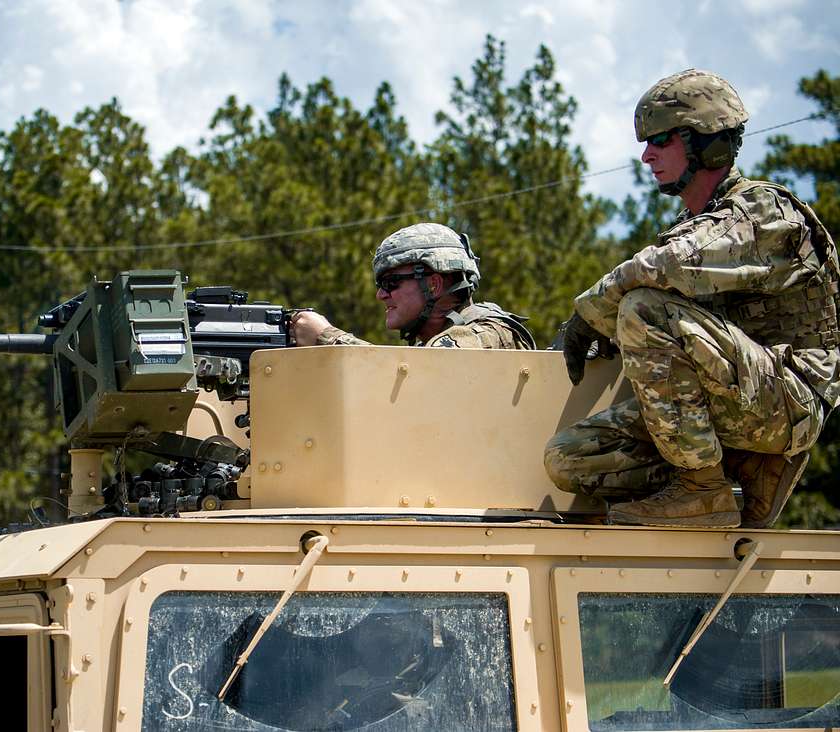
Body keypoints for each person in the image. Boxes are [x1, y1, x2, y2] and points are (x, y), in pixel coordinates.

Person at [544, 69, 839, 529]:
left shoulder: (765, 212)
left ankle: (702, 492)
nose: (646, 156)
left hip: (788, 400)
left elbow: (669, 265)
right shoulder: (694, 223)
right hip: (726, 400)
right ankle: (725, 474)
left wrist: (591, 311)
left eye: (660, 140)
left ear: (708, 141)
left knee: (642, 307)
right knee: (569, 459)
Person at [290, 223, 535, 350]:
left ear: (434, 284)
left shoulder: (488, 334)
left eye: (390, 283)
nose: (380, 295)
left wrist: (327, 337)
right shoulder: (431, 346)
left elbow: (416, 382)